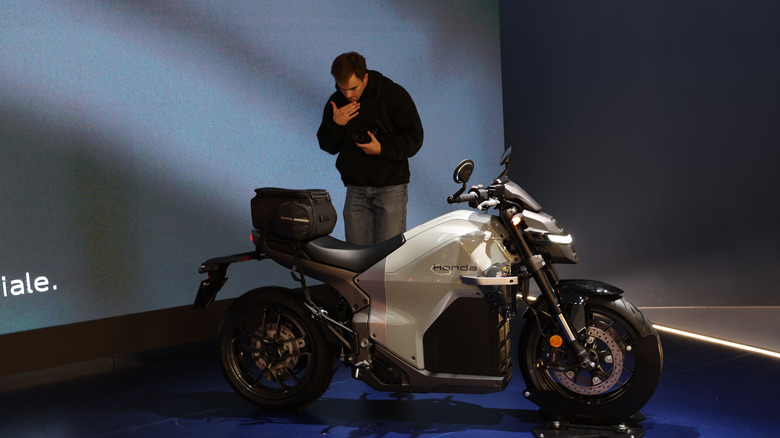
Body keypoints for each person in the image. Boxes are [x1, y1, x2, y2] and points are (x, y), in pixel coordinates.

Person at [317, 52, 424, 245]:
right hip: (355, 190)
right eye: (342, 89)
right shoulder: (337, 102)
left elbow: (414, 139)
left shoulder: (393, 94)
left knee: (388, 261)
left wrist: (381, 149)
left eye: (353, 88)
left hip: (390, 189)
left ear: (365, 77)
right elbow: (327, 146)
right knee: (356, 262)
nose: (348, 95)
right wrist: (336, 124)